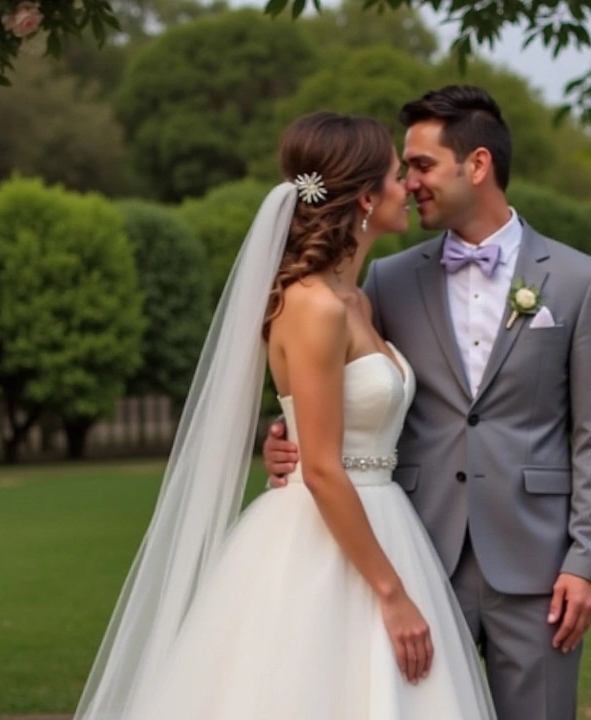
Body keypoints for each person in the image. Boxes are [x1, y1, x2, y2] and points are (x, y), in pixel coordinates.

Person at [74, 112, 496, 720]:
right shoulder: (313, 307)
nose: (409, 186)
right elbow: (322, 469)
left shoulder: (358, 301)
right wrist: (393, 594)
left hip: (383, 520)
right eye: (396, 175)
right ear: (364, 197)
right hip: (323, 536)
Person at [264, 85, 591, 720]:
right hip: (418, 550)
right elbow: (346, 396)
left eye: (422, 165)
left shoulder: (577, 280)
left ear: (476, 165)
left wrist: (588, 562)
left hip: (538, 567)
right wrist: (288, 436)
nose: (411, 182)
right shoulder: (386, 281)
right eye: (402, 169)